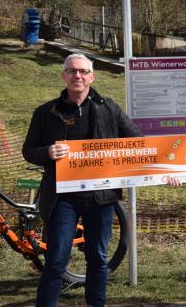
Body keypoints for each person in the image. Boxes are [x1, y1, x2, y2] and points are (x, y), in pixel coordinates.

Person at [23, 53, 153, 307]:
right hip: (61, 199)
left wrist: (170, 171)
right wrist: (48, 152)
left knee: (98, 259)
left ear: (92, 77)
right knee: (56, 261)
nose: (77, 76)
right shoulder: (45, 112)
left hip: (100, 197)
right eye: (72, 71)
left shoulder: (109, 108)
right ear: (64, 76)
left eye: (83, 71)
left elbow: (137, 142)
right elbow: (29, 150)